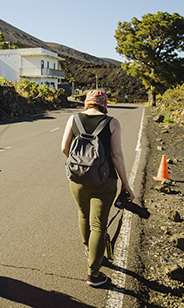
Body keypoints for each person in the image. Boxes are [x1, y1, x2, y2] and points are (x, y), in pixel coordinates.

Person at [60, 90, 134, 287]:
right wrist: (125, 184)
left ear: (87, 103)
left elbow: (64, 148)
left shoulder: (73, 119)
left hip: (77, 180)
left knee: (83, 215)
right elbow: (117, 155)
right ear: (104, 104)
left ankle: (89, 250)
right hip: (105, 181)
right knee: (99, 225)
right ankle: (93, 274)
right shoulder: (112, 122)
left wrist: (81, 167)